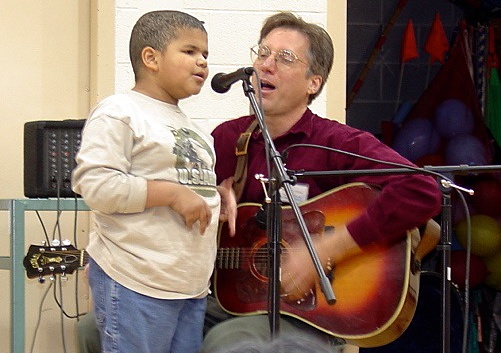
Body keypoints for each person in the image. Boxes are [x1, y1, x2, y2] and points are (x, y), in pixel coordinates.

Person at [201, 11, 442, 353]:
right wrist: (208, 200)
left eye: (284, 58)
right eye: (263, 53)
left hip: (310, 313)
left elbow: (421, 190)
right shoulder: (227, 139)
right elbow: (188, 217)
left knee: (227, 345)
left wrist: (328, 248)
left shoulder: (337, 142)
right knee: (117, 324)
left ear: (313, 82)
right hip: (232, 303)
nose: (266, 65)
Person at [71, 10, 236, 353]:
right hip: (136, 281)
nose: (202, 62)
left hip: (188, 287)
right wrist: (172, 194)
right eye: (190, 52)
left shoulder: (192, 127)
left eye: (205, 54)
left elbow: (185, 183)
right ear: (151, 58)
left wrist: (217, 197)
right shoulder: (120, 111)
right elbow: (96, 185)